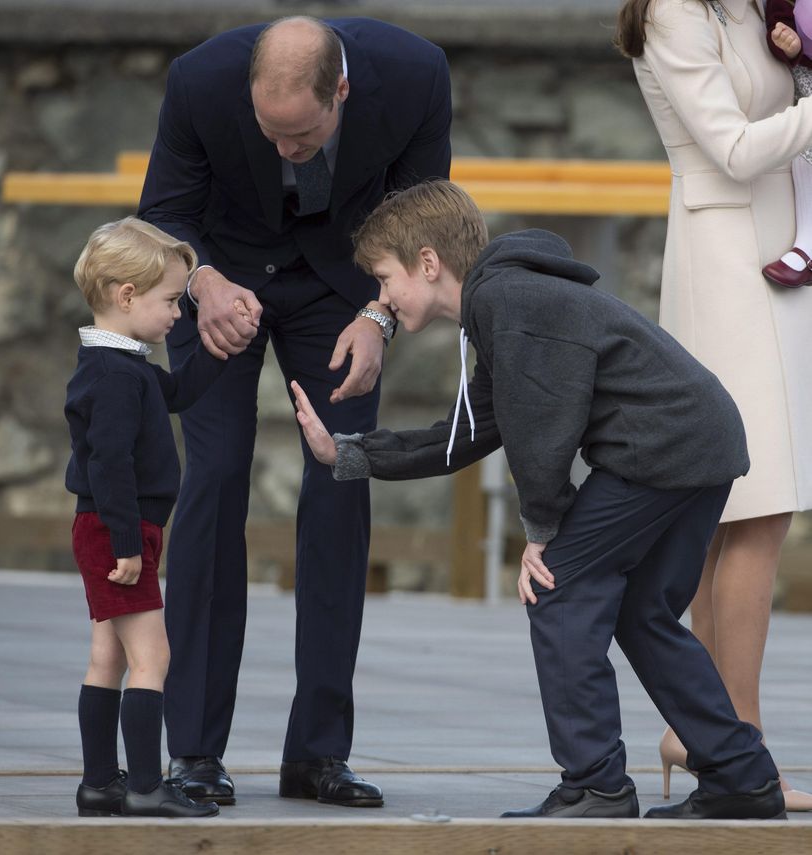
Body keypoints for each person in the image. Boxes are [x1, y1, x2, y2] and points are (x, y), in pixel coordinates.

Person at [292, 179, 786, 820]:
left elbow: (544, 425)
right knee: (643, 614)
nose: (381, 298)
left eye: (385, 279)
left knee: (557, 590)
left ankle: (598, 784)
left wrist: (542, 529)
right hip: (697, 441)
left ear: (429, 263)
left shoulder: (509, 300)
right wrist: (350, 454)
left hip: (661, 448)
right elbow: (473, 429)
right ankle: (742, 778)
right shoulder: (506, 302)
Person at [138, 15, 451, 807]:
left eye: (302, 134)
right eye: (269, 133)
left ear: (340, 89)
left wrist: (380, 320)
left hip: (343, 292)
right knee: (212, 480)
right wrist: (202, 284)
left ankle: (318, 753)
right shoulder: (199, 81)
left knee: (340, 483)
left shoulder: (415, 76)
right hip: (223, 285)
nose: (285, 149)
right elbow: (164, 214)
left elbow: (421, 224)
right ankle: (196, 754)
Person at [615, 0, 812, 811]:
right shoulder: (668, 12)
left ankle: (706, 728)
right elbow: (729, 149)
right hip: (726, 259)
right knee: (756, 505)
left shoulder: (744, 3)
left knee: (742, 510)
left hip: (778, 254)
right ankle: (743, 747)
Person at [66, 217, 226, 819]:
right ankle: (142, 787)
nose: (178, 315)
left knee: (108, 656)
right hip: (118, 531)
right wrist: (129, 543)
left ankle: (100, 783)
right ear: (126, 295)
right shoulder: (112, 376)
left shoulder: (122, 365)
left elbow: (176, 395)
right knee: (152, 658)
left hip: (114, 529)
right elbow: (108, 466)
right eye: (170, 301)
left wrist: (220, 349)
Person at [762, 0, 812, 286]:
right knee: (803, 140)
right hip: (806, 73)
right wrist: (788, 45)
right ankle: (806, 247)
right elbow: (777, 28)